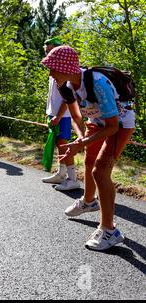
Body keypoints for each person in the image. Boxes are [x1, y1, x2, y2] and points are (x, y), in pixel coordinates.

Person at [42, 45, 136, 251]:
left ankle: (109, 230)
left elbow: (112, 127)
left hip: (119, 124)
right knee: (88, 160)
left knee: (100, 171)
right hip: (97, 120)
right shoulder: (65, 85)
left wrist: (82, 143)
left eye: (53, 68)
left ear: (67, 68)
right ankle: (88, 201)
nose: (50, 73)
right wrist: (80, 138)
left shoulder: (98, 84)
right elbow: (76, 117)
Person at [41, 37, 80, 191]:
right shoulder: (53, 71)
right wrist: (49, 112)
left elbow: (68, 97)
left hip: (63, 115)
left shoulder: (66, 70)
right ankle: (61, 173)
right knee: (59, 144)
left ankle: (73, 178)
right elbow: (53, 95)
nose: (48, 55)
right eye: (46, 52)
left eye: (50, 51)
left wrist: (58, 115)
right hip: (54, 113)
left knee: (64, 145)